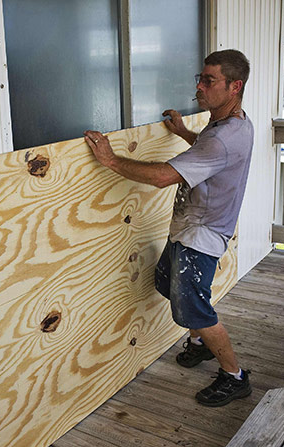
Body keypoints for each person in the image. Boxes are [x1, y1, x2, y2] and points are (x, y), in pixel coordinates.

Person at [84, 49, 254, 407]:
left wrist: (111, 160)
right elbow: (208, 154)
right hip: (190, 226)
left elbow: (164, 177)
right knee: (165, 282)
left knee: (195, 307)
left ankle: (234, 376)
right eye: (200, 78)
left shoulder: (225, 136)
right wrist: (182, 132)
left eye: (209, 80)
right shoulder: (229, 123)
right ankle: (198, 342)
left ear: (234, 86)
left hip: (203, 234)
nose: (200, 86)